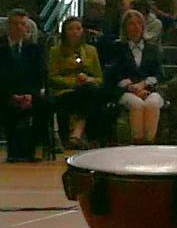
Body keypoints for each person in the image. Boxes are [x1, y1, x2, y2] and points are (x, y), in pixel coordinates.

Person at [104, 11, 165, 143]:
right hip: (125, 90)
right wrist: (132, 88)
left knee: (152, 104)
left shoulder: (153, 48)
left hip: (150, 89)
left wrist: (144, 85)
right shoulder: (117, 47)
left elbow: (159, 74)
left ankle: (149, 142)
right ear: (125, 27)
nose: (136, 27)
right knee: (137, 104)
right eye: (131, 24)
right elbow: (113, 75)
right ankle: (137, 142)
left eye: (139, 24)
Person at [46, 17, 105, 147]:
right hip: (65, 91)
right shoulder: (55, 51)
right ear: (65, 32)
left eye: (78, 29)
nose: (74, 32)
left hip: (88, 88)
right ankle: (80, 134)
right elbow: (52, 77)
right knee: (91, 95)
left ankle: (77, 132)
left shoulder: (91, 51)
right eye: (70, 29)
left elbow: (99, 78)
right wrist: (73, 82)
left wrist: (88, 79)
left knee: (91, 91)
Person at [0, 10, 47, 162]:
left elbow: (39, 75)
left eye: (23, 24)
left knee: (45, 104)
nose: (19, 27)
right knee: (8, 107)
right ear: (7, 26)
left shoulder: (34, 49)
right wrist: (10, 95)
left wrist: (30, 94)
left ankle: (31, 150)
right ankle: (14, 151)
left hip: (28, 93)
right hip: (5, 93)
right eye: (15, 24)